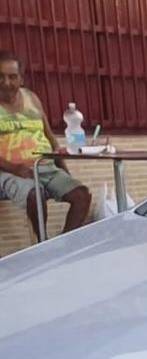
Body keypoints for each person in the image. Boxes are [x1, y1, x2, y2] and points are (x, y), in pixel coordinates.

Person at [0, 51, 91, 240]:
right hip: (9, 171)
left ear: (21, 79)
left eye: (12, 77)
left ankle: (62, 246)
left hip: (45, 165)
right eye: (0, 76)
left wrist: (63, 169)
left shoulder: (32, 98)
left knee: (81, 195)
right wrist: (15, 168)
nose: (6, 82)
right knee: (35, 195)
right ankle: (42, 243)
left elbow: (49, 137)